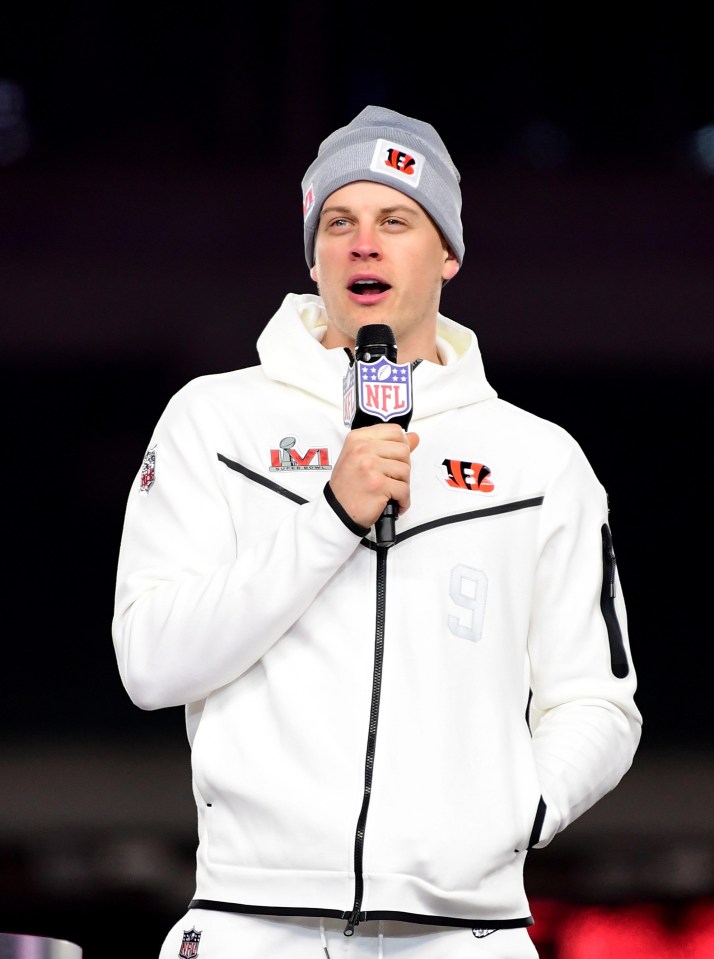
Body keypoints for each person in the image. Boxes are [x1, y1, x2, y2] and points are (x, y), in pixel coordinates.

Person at [112, 105, 642, 959]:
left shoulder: (540, 461)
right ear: (314, 254)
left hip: (469, 931)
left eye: (396, 219)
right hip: (249, 919)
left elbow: (598, 699)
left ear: (449, 253)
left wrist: (519, 809)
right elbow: (149, 660)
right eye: (339, 222)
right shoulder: (215, 420)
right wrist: (328, 516)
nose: (364, 242)